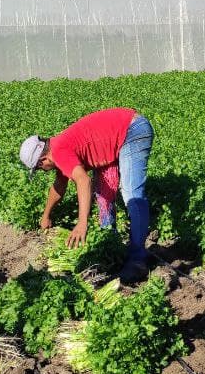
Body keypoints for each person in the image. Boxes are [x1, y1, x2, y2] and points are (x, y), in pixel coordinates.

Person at [19, 107, 154, 283]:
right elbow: (59, 187)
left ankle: (137, 261)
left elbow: (83, 181)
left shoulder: (59, 151)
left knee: (132, 193)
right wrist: (46, 216)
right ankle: (111, 243)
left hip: (132, 130)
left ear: (43, 160)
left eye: (38, 169)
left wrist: (82, 223)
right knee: (104, 192)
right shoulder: (58, 149)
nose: (42, 171)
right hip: (125, 128)